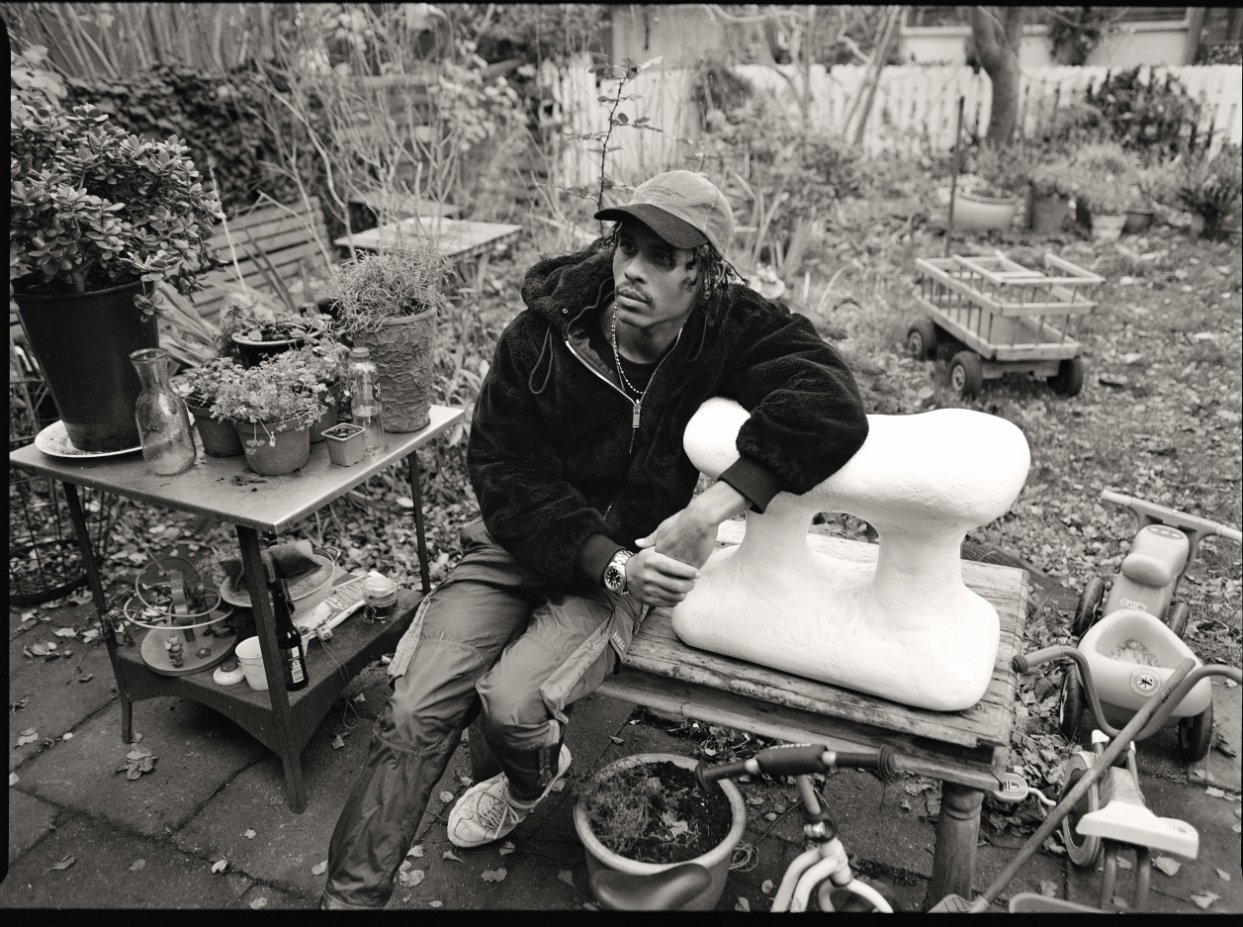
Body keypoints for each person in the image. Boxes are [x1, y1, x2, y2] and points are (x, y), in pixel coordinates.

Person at [320, 169, 869, 909]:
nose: (632, 270)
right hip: (521, 544)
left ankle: (529, 779)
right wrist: (607, 562)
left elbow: (830, 401)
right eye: (626, 246)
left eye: (660, 257)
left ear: (703, 272)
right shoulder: (545, 335)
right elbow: (502, 469)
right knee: (414, 710)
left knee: (513, 705)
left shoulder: (728, 326)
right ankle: (347, 901)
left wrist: (713, 508)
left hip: (627, 562)